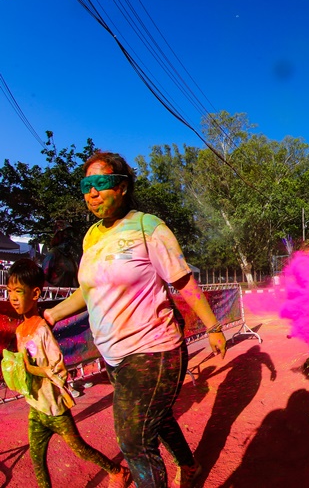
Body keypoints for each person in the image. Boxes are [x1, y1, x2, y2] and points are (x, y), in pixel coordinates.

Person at [44, 151, 227, 488]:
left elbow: (182, 279)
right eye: (86, 186)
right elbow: (89, 289)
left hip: (154, 348)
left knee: (133, 440)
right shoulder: (92, 237)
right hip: (114, 354)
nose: (92, 193)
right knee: (156, 419)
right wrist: (52, 314)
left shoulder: (148, 227)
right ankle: (190, 466)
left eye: (101, 184)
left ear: (123, 186)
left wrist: (213, 327)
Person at [8, 258, 130, 488]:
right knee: (37, 460)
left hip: (55, 410)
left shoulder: (42, 330)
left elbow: (59, 370)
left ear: (35, 294)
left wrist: (30, 368)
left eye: (18, 292)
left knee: (80, 449)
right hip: (36, 407)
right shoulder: (21, 329)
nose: (12, 297)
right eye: (9, 291)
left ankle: (118, 470)